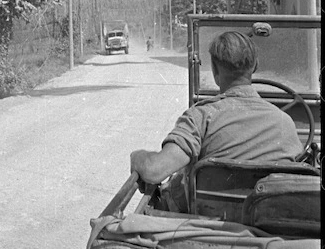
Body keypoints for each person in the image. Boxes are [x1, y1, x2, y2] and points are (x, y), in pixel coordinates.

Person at [130, 30, 303, 212]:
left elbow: (154, 170)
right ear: (255, 66)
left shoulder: (200, 117)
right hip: (269, 223)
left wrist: (138, 156)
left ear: (214, 71)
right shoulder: (285, 123)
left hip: (208, 223)